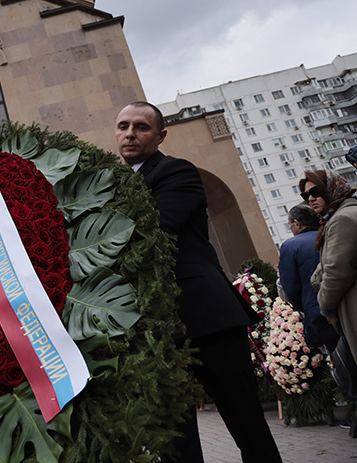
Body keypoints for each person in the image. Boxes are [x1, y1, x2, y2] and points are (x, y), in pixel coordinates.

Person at [114, 102, 281, 463]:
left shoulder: (176, 171)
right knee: (176, 435)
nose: (130, 134)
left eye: (141, 127)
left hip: (207, 318)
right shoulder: (118, 184)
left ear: (160, 135)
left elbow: (155, 230)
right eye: (123, 126)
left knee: (246, 423)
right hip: (157, 327)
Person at [304, 170, 357, 364]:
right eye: (306, 195)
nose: (310, 199)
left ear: (331, 189)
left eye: (315, 191)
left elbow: (336, 272)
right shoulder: (338, 217)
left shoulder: (342, 219)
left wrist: (326, 309)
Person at [279, 203, 338, 353]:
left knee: (341, 360)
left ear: (297, 223)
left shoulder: (290, 246)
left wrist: (304, 306)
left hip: (319, 312)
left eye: (290, 224)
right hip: (344, 303)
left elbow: (291, 288)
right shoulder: (331, 233)